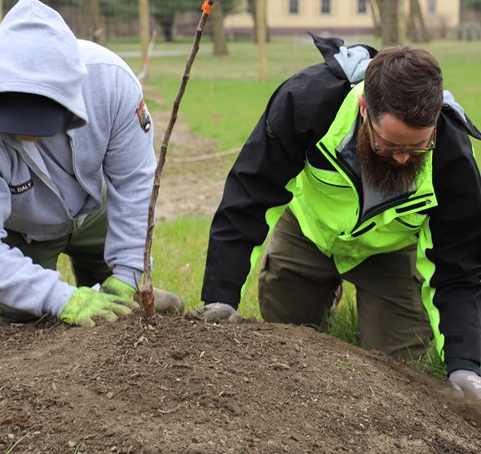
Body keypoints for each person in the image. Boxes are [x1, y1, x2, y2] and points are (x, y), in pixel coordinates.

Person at [193, 33, 481, 401]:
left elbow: (458, 268)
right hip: (310, 231)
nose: (402, 159)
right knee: (284, 336)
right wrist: (221, 298)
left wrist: (464, 366)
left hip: (388, 250)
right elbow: (249, 196)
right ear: (364, 109)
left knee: (401, 369)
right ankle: (320, 288)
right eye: (388, 145)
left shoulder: (451, 155)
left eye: (417, 146)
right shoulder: (307, 102)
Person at [0, 0, 183, 331]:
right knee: (21, 320)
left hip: (93, 207)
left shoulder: (111, 83)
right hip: (20, 226)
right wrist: (58, 298)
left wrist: (128, 275)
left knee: (124, 307)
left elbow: (135, 183)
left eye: (41, 118)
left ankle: (114, 285)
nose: (28, 131)